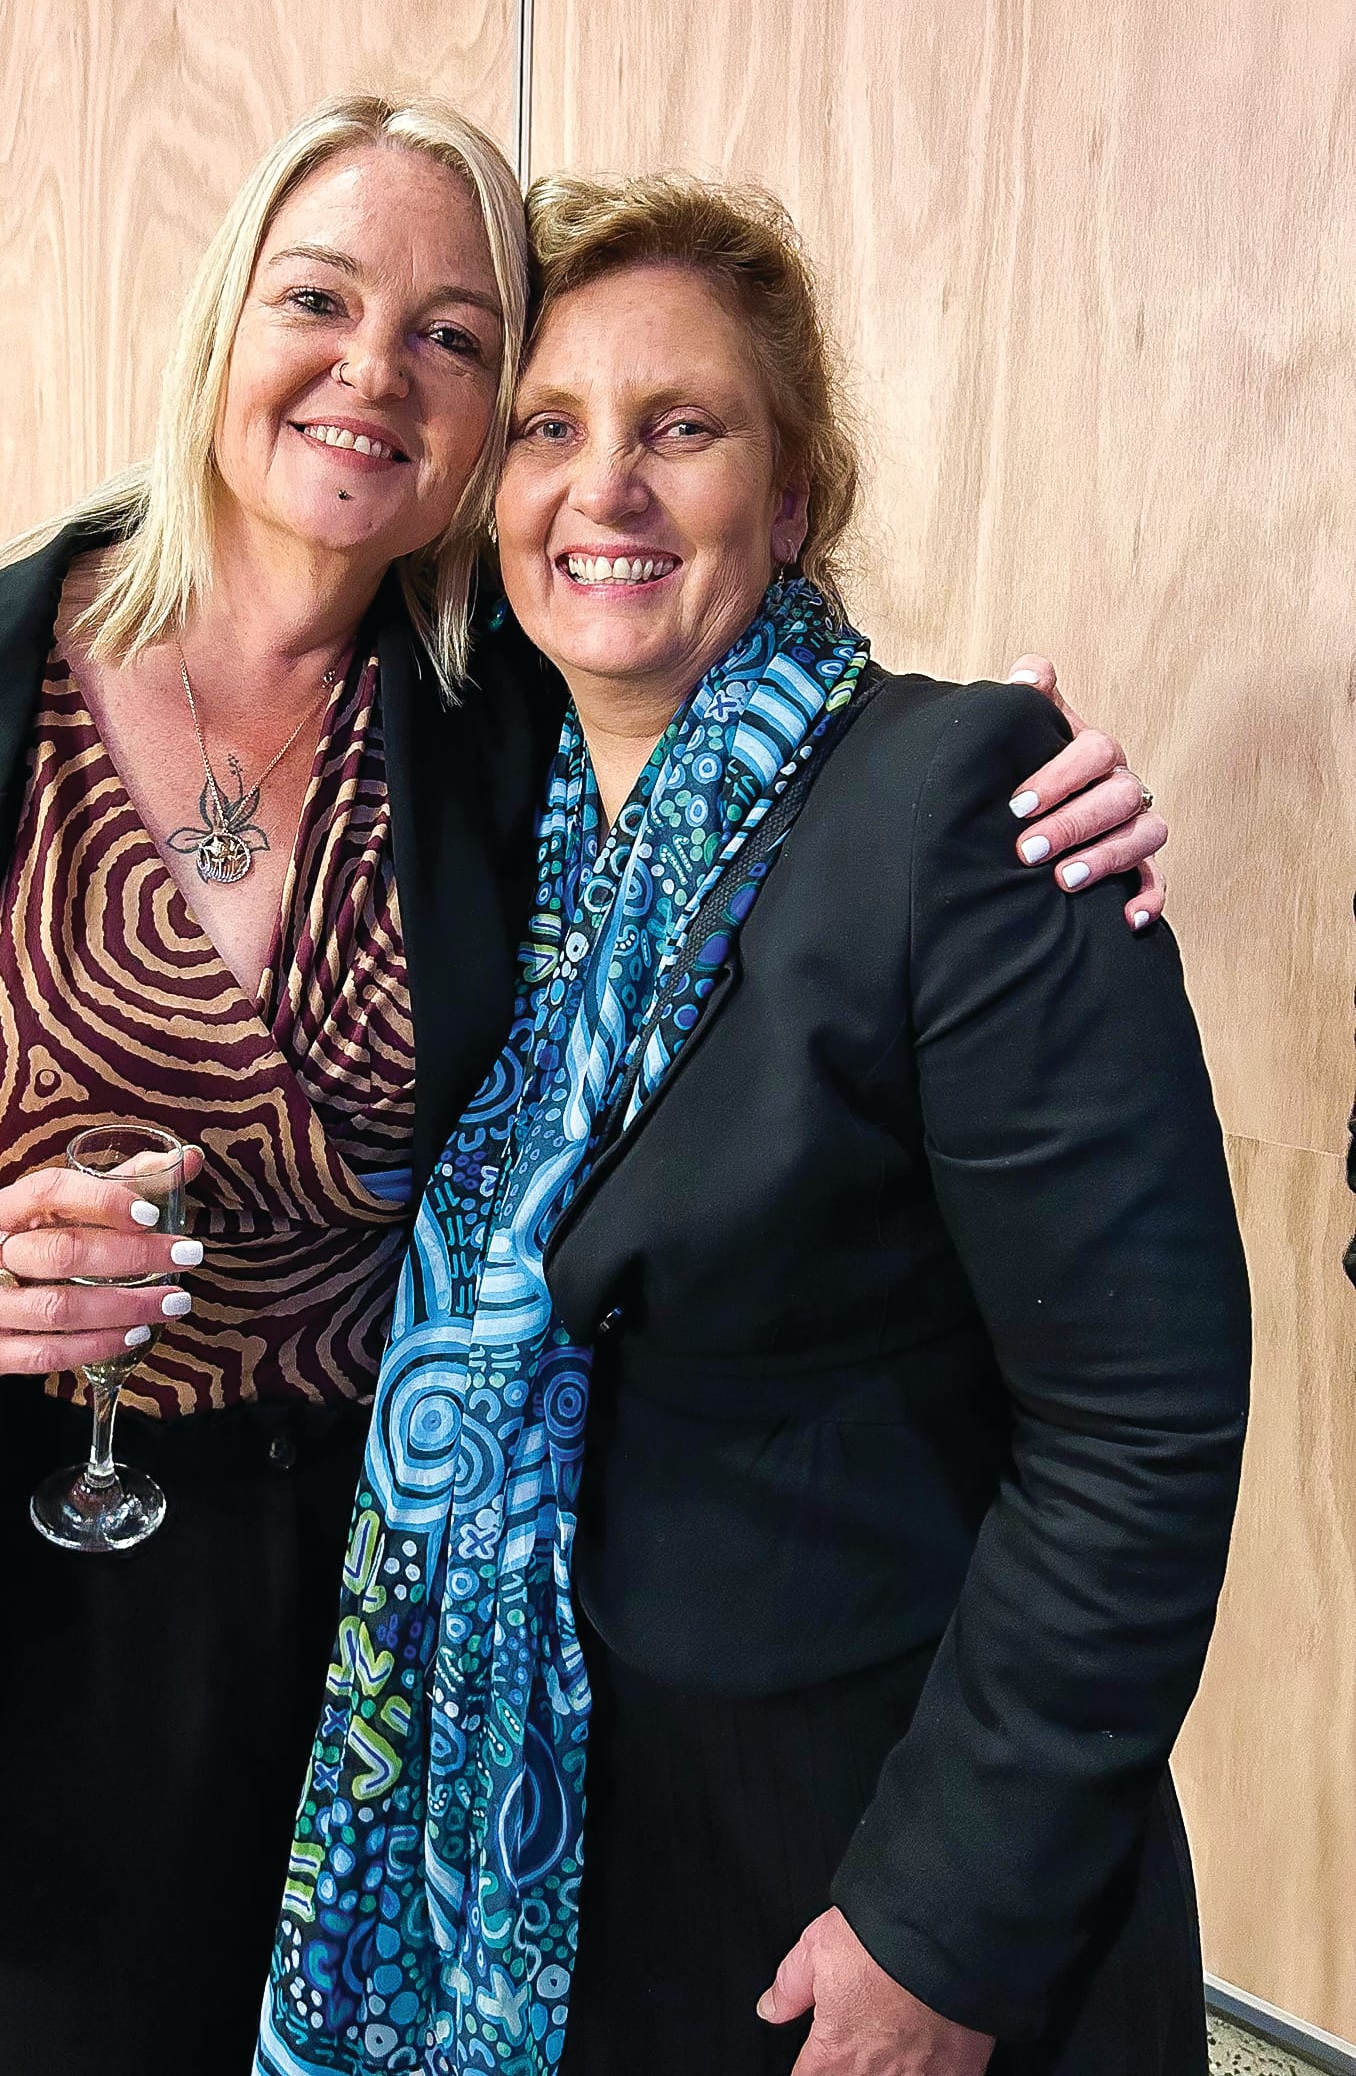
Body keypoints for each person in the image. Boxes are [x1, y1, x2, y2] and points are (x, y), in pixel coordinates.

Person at [0, 101, 1166, 2076]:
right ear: (226, 319)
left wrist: (1015, 784)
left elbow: (746, 751)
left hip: (370, 1661)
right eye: (319, 298)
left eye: (455, 337)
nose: (374, 369)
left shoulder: (492, 720)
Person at [257, 174, 1248, 2076]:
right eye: (549, 428)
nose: (606, 487)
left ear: (791, 501)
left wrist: (942, 1930)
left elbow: (1140, 1428)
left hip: (873, 1873)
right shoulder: (505, 834)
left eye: (682, 427)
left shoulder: (958, 807)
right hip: (588, 1867)